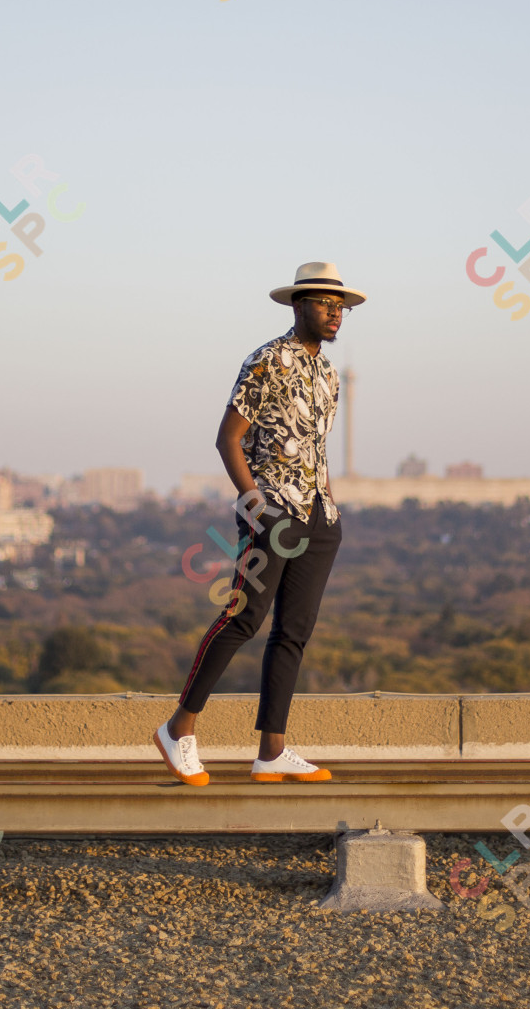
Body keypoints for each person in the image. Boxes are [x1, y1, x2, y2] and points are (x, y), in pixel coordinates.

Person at [154, 261, 364, 785]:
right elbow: (228, 438)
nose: (334, 314)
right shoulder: (267, 360)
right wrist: (256, 504)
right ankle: (178, 729)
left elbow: (317, 451)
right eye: (323, 304)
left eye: (339, 307)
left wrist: (330, 509)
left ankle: (272, 750)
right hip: (271, 511)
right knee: (243, 618)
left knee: (292, 634)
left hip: (319, 518)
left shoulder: (328, 374)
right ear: (298, 306)